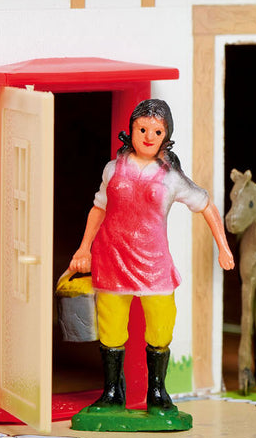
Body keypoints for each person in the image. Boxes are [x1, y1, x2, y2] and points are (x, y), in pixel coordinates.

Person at [69, 99, 235, 415]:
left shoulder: (171, 176)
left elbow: (206, 205)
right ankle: (112, 392)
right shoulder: (113, 169)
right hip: (112, 258)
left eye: (156, 131)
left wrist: (223, 247)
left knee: (160, 326)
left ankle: (157, 391)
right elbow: (99, 208)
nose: (148, 137)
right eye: (142, 129)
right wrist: (83, 247)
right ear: (131, 130)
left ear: (165, 136)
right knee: (111, 327)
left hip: (154, 264)